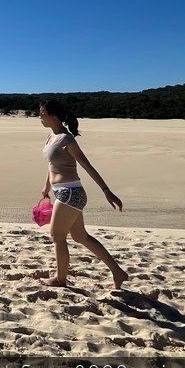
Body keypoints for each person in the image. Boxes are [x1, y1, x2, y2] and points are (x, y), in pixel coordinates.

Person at [39, 99, 128, 289]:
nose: (40, 117)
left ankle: (60, 279)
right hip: (62, 193)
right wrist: (47, 186)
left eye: (42, 114)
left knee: (57, 236)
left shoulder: (67, 139)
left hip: (70, 193)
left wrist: (106, 191)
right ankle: (118, 273)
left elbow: (87, 166)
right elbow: (52, 164)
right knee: (81, 237)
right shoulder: (51, 137)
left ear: (53, 116)